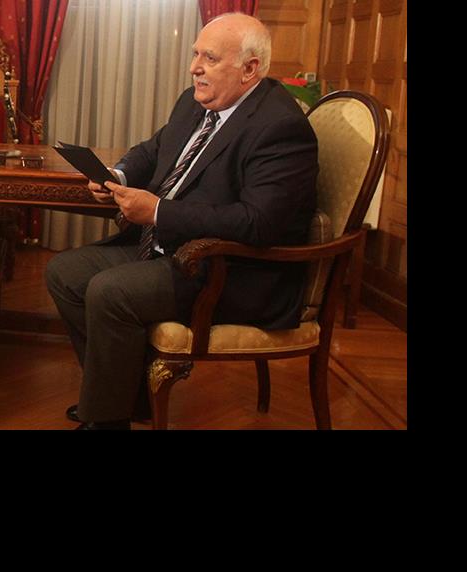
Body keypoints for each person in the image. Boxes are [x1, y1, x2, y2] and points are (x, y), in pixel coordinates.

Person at [45, 13, 318, 430]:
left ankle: (107, 419)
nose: (194, 68)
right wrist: (117, 175)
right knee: (65, 272)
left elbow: (258, 222)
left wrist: (158, 211)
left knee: (110, 291)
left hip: (229, 270)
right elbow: (153, 150)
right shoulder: (196, 101)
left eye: (210, 58)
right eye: (195, 54)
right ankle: (126, 397)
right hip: (171, 249)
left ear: (250, 69)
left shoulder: (280, 127)